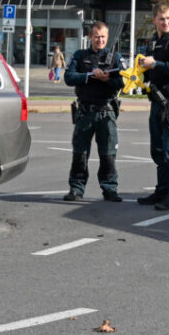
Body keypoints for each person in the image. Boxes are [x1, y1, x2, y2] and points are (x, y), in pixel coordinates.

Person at [136, 0, 169, 210]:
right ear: (154, 21)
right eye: (161, 19)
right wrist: (141, 69)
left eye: (168, 18)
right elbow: (151, 71)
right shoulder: (153, 42)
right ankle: (163, 190)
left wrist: (156, 64)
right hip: (157, 102)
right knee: (158, 149)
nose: (165, 22)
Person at [62, 21, 126, 201]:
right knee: (80, 154)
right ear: (90, 37)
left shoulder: (115, 57)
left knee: (108, 154)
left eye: (103, 36)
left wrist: (107, 79)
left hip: (106, 112)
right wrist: (90, 75)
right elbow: (69, 77)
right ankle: (76, 188)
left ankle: (109, 189)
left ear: (107, 37)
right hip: (85, 111)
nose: (100, 40)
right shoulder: (80, 56)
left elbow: (123, 82)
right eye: (96, 36)